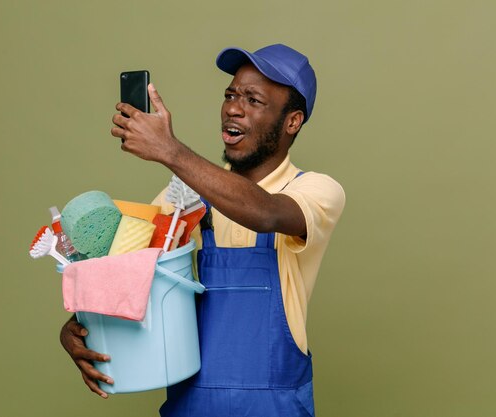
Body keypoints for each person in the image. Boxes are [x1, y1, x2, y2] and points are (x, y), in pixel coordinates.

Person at [60, 43, 345, 416]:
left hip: (274, 406)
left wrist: (170, 151)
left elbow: (267, 214)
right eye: (230, 95)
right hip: (192, 404)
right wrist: (82, 324)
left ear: (292, 121)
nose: (233, 108)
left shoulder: (316, 190)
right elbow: (132, 274)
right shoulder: (184, 197)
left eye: (253, 100)